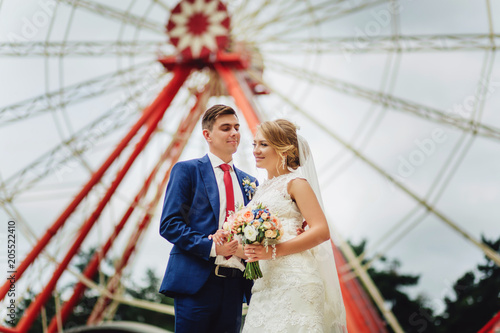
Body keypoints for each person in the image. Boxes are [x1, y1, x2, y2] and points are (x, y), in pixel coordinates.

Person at [241, 119, 347, 332]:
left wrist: (271, 251)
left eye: (263, 144)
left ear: (283, 149)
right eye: (254, 144)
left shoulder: (296, 184)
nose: (256, 150)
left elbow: (321, 231)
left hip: (295, 280)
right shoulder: (259, 191)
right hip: (265, 283)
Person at [158, 104, 258, 333]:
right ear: (207, 135)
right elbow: (170, 225)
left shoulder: (251, 182)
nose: (234, 133)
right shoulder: (187, 171)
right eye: (226, 128)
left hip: (236, 285)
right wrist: (212, 247)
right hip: (197, 283)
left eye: (236, 127)